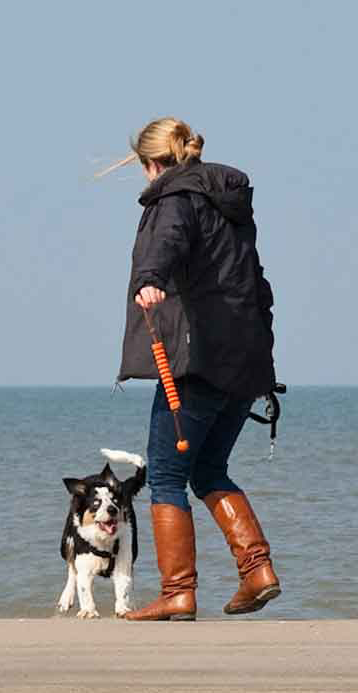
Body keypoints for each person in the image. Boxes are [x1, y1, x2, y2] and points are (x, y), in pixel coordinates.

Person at [100, 117, 281, 621]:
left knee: (164, 475)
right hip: (245, 361)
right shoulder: (231, 204)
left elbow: (168, 240)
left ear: (152, 164)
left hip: (196, 358)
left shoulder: (173, 199)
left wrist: (150, 277)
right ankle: (257, 570)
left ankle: (178, 592)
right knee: (207, 469)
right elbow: (255, 280)